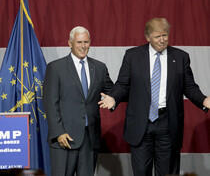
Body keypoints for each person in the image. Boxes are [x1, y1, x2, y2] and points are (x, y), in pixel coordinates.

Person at [98, 18, 210, 176]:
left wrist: (204, 100)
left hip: (168, 123)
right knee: (141, 171)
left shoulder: (180, 57)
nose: (162, 39)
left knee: (166, 172)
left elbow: (189, 87)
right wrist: (113, 98)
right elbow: (123, 84)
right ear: (147, 37)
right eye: (158, 36)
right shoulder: (133, 56)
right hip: (141, 124)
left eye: (165, 35)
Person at [43, 26, 113, 176]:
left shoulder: (99, 68)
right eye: (79, 42)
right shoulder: (55, 68)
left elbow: (111, 92)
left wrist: (113, 99)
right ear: (70, 43)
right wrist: (59, 132)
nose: (83, 46)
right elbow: (50, 103)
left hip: (89, 139)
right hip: (64, 138)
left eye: (86, 42)